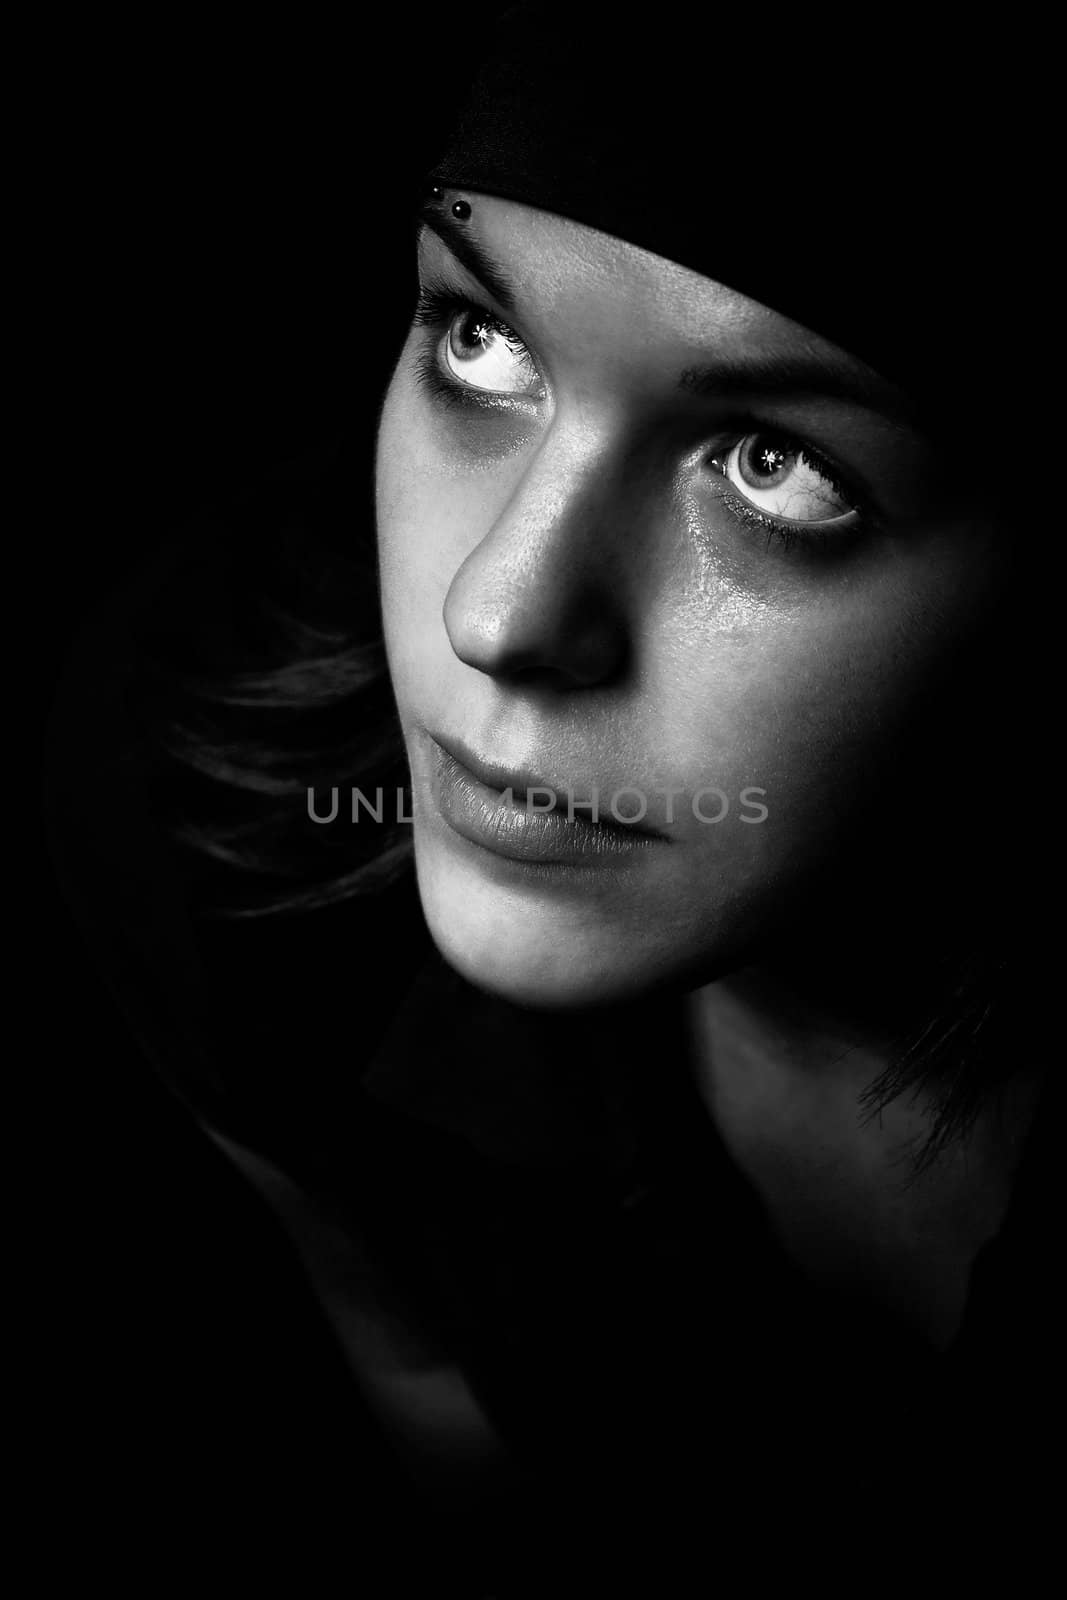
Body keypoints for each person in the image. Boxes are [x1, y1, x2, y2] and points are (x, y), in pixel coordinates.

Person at [47, 5, 1056, 1590]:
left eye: (777, 466)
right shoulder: (219, 826)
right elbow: (437, 1398)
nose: (498, 614)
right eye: (482, 344)